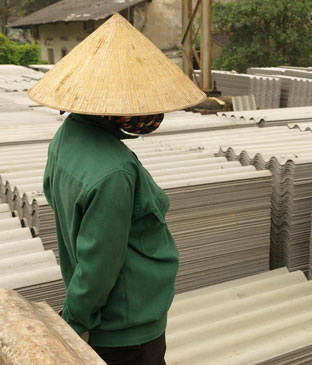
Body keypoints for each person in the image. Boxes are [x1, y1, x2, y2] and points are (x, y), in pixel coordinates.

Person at [28, 13, 206, 365]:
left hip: (117, 316)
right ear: (118, 103)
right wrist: (76, 322)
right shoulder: (115, 171)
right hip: (128, 328)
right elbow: (99, 266)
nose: (150, 111)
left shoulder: (67, 137)